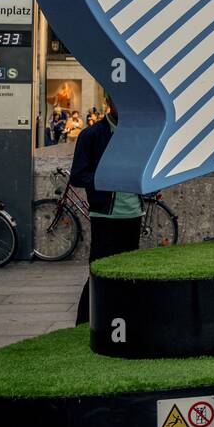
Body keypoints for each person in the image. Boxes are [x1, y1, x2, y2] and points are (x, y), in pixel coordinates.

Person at [70, 98, 143, 324]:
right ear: (110, 101)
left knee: (127, 272)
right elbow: (77, 175)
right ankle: (84, 321)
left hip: (133, 214)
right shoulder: (91, 135)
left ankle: (120, 319)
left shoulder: (136, 134)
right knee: (100, 271)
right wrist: (105, 180)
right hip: (105, 215)